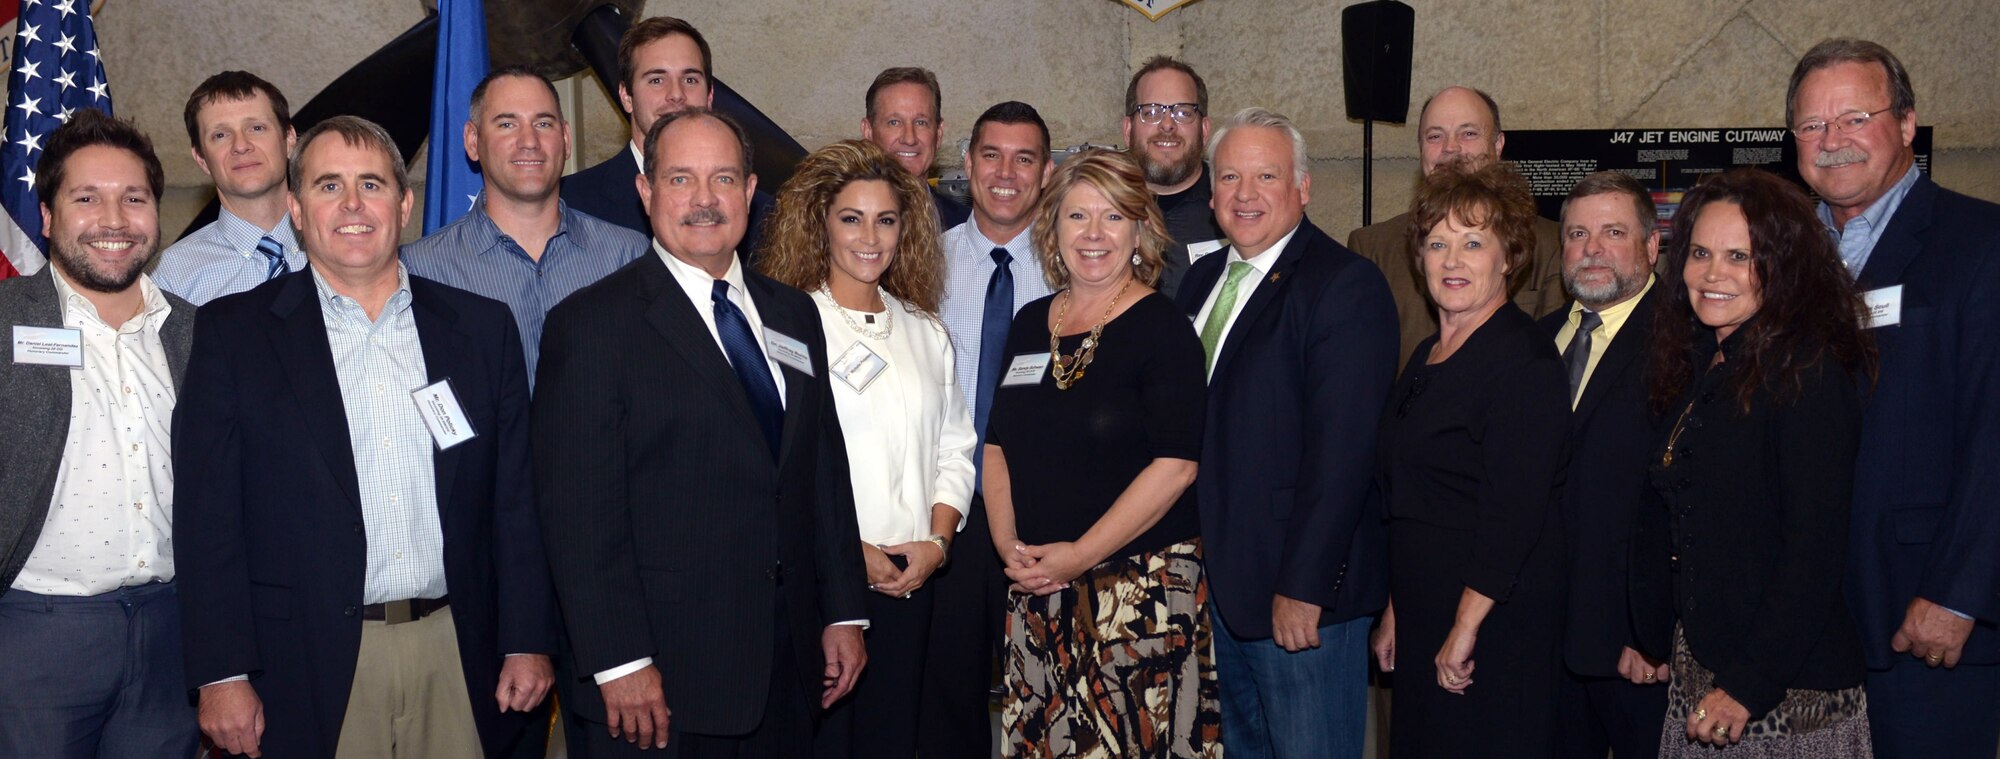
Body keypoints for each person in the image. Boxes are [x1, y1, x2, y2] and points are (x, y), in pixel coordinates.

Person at [175, 116, 559, 759]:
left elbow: (515, 502)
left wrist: (527, 637)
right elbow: (207, 519)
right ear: (296, 209)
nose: (352, 206)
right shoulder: (234, 336)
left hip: (457, 650)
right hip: (302, 662)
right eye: (328, 186)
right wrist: (222, 673)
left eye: (372, 185)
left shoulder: (481, 330)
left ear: (404, 204)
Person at [533, 107, 867, 756]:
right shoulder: (591, 326)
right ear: (646, 191)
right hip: (663, 687)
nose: (705, 200)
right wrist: (620, 659)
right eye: (681, 179)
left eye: (723, 179)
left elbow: (822, 471)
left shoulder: (793, 312)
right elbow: (578, 517)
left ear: (749, 192)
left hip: (790, 667)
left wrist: (844, 610)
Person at [1783, 39, 2000, 759]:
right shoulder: (1782, 258)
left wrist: (1959, 591)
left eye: (1855, 117)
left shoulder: (1980, 242)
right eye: (1813, 126)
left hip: (1924, 618)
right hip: (1803, 628)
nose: (1832, 141)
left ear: (1907, 124)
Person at [1175, 107, 1398, 759]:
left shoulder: (1343, 285)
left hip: (1299, 602)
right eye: (1230, 177)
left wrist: (1304, 585)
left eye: (1265, 175)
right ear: (1210, 192)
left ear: (1302, 186)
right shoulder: (1202, 280)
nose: (1245, 195)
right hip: (1219, 592)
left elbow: (1344, 454)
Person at [1630, 167, 1875, 756]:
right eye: (1701, 252)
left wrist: (1745, 686)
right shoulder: (1698, 360)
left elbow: (1812, 552)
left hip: (1784, 697)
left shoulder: (1806, 369)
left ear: (1784, 265)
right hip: (1702, 673)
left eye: (1741, 256)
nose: (1714, 274)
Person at [983, 148, 1218, 758]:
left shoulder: (1163, 329)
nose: (1094, 234)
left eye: (1113, 217)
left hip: (1135, 597)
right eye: (1078, 216)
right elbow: (997, 445)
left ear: (1141, 231)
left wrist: (1078, 557)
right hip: (1038, 587)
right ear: (1052, 229)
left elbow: (1176, 466)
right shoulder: (1032, 322)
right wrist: (1012, 549)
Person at [756, 139, 977, 758]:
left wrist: (937, 544)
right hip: (825, 586)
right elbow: (778, 464)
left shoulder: (925, 329)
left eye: (886, 219)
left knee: (895, 740)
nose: (869, 237)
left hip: (911, 584)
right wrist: (849, 555)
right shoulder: (788, 327)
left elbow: (955, 448)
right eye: (851, 218)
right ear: (819, 223)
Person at [0, 110, 200, 758]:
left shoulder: (199, 333)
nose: (114, 220)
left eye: (133, 197)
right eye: (87, 198)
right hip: (35, 637)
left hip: (174, 634)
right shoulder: (6, 323)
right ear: (49, 216)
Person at [1372, 162, 1568, 757]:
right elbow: (1409, 498)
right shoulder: (1429, 353)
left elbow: (1513, 517)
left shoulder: (1522, 361)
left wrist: (1463, 628)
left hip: (1491, 623)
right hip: (1424, 604)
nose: (1452, 260)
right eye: (1437, 243)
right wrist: (1396, 609)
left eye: (1473, 242)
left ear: (1508, 257)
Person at [922, 99, 1056, 758]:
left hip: (1044, 514)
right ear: (967, 163)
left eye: (1023, 158)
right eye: (991, 155)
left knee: (1048, 692)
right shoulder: (922, 266)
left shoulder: (1074, 269)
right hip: (946, 514)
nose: (1006, 172)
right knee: (948, 695)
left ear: (1046, 172)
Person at [402, 66, 649, 386]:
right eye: (507, 124)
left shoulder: (628, 256)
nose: (529, 141)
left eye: (543, 123)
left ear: (566, 139)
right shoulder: (421, 271)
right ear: (473, 141)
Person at [1542, 171, 1671, 759]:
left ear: (1650, 246)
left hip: (1634, 648)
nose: (1591, 249)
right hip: (1540, 641)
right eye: (1577, 234)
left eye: (1613, 232)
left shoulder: (1687, 341)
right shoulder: (1532, 343)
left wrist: (1653, 632)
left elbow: (1686, 508)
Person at [1346, 86, 1567, 368]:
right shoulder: (1373, 248)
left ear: (1498, 146)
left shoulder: (1551, 246)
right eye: (1435, 136)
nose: (1451, 148)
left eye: (1468, 133)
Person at [560, 15, 772, 254]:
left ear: (710, 96)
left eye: (690, 79)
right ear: (626, 97)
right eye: (657, 80)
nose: (676, 94)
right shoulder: (570, 203)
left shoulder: (763, 215)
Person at [152, 71, 305, 305]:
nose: (241, 146)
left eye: (256, 128)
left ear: (289, 139)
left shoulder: (347, 243)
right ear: (201, 159)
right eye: (220, 135)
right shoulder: (170, 277)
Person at [1122, 56, 1227, 298]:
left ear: (1204, 129)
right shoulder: (1099, 205)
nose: (1167, 124)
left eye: (1183, 112)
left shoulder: (1236, 204)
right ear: (1128, 130)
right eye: (1150, 112)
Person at [861, 66, 970, 229]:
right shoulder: (831, 222)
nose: (909, 138)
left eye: (921, 123)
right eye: (894, 122)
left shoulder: (967, 225)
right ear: (868, 131)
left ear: (938, 134)